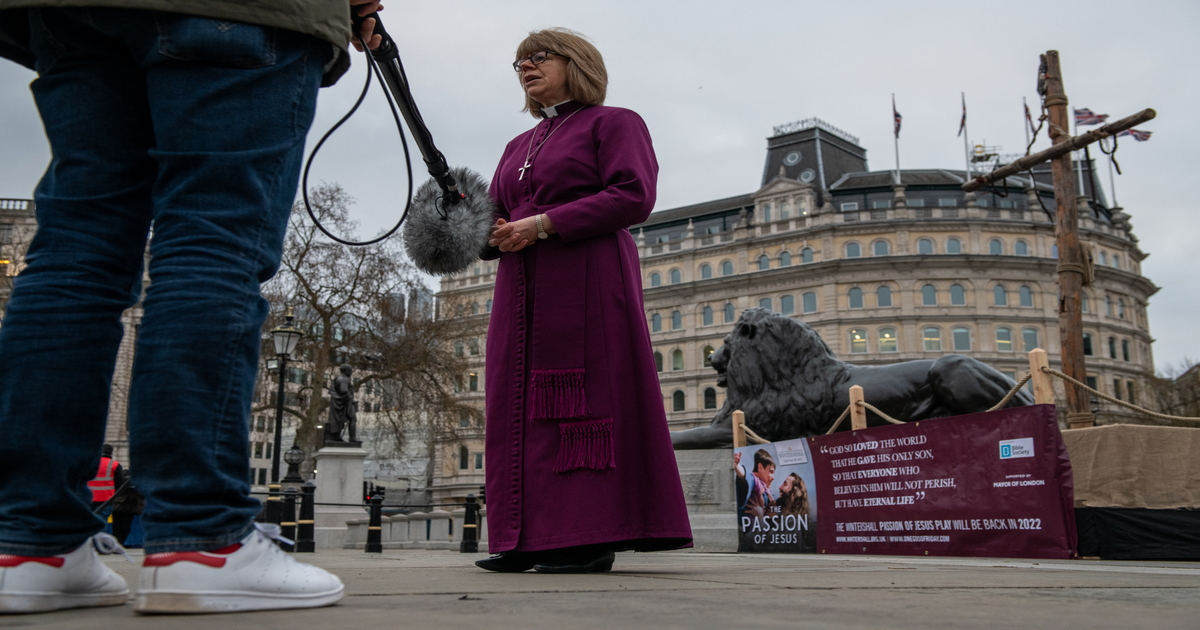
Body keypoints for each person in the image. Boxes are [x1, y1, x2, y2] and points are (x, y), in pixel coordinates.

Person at [0, 0, 384, 615]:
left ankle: (30, 542)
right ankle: (200, 537)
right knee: (213, 238)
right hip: (238, 13)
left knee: (75, 249)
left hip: (70, 11)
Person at [475, 27, 692, 574]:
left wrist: (544, 223)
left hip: (590, 278)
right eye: (518, 61)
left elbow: (633, 194)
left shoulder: (615, 122)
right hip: (520, 287)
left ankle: (585, 537)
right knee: (517, 403)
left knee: (583, 400)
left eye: (538, 57)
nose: (525, 66)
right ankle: (522, 537)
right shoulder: (513, 147)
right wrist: (473, 225)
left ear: (577, 63)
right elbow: (494, 219)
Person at [734, 450, 776, 520]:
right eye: (771, 472)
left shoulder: (768, 493)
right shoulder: (754, 482)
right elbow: (745, 476)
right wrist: (737, 466)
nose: (773, 477)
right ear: (760, 467)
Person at [87, 444, 125, 515]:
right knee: (103, 523)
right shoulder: (115, 464)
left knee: (88, 523)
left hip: (89, 499)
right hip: (106, 501)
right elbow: (119, 484)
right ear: (111, 453)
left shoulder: (90, 463)